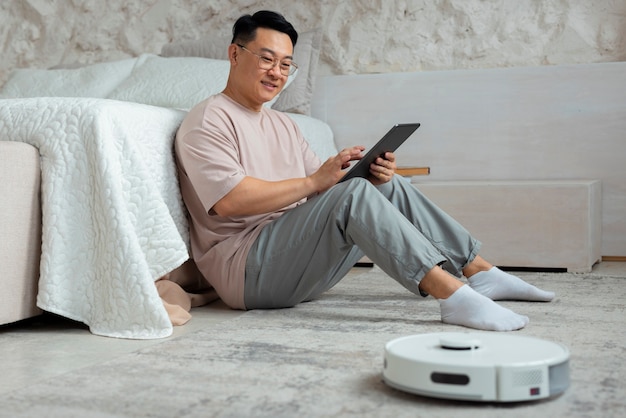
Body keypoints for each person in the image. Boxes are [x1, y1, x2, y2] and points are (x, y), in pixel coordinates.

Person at [174, 10, 555, 332]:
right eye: (267, 59)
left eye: (286, 64)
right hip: (246, 271)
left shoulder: (284, 124)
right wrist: (316, 181)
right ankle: (453, 297)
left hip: (291, 262)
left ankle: (481, 271)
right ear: (235, 55)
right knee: (353, 194)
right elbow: (229, 201)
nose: (277, 72)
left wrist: (363, 175)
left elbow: (323, 191)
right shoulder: (208, 120)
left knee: (379, 185)